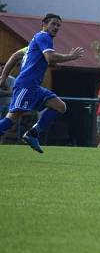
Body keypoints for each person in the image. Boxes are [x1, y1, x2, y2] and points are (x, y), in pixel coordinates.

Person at [0, 14, 84, 153]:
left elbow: (15, 56)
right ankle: (31, 134)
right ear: (44, 24)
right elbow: (50, 57)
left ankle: (33, 134)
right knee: (12, 119)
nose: (56, 27)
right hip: (26, 85)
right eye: (54, 24)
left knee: (60, 106)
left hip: (34, 86)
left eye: (58, 25)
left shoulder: (37, 41)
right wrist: (70, 57)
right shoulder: (43, 36)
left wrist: (3, 78)